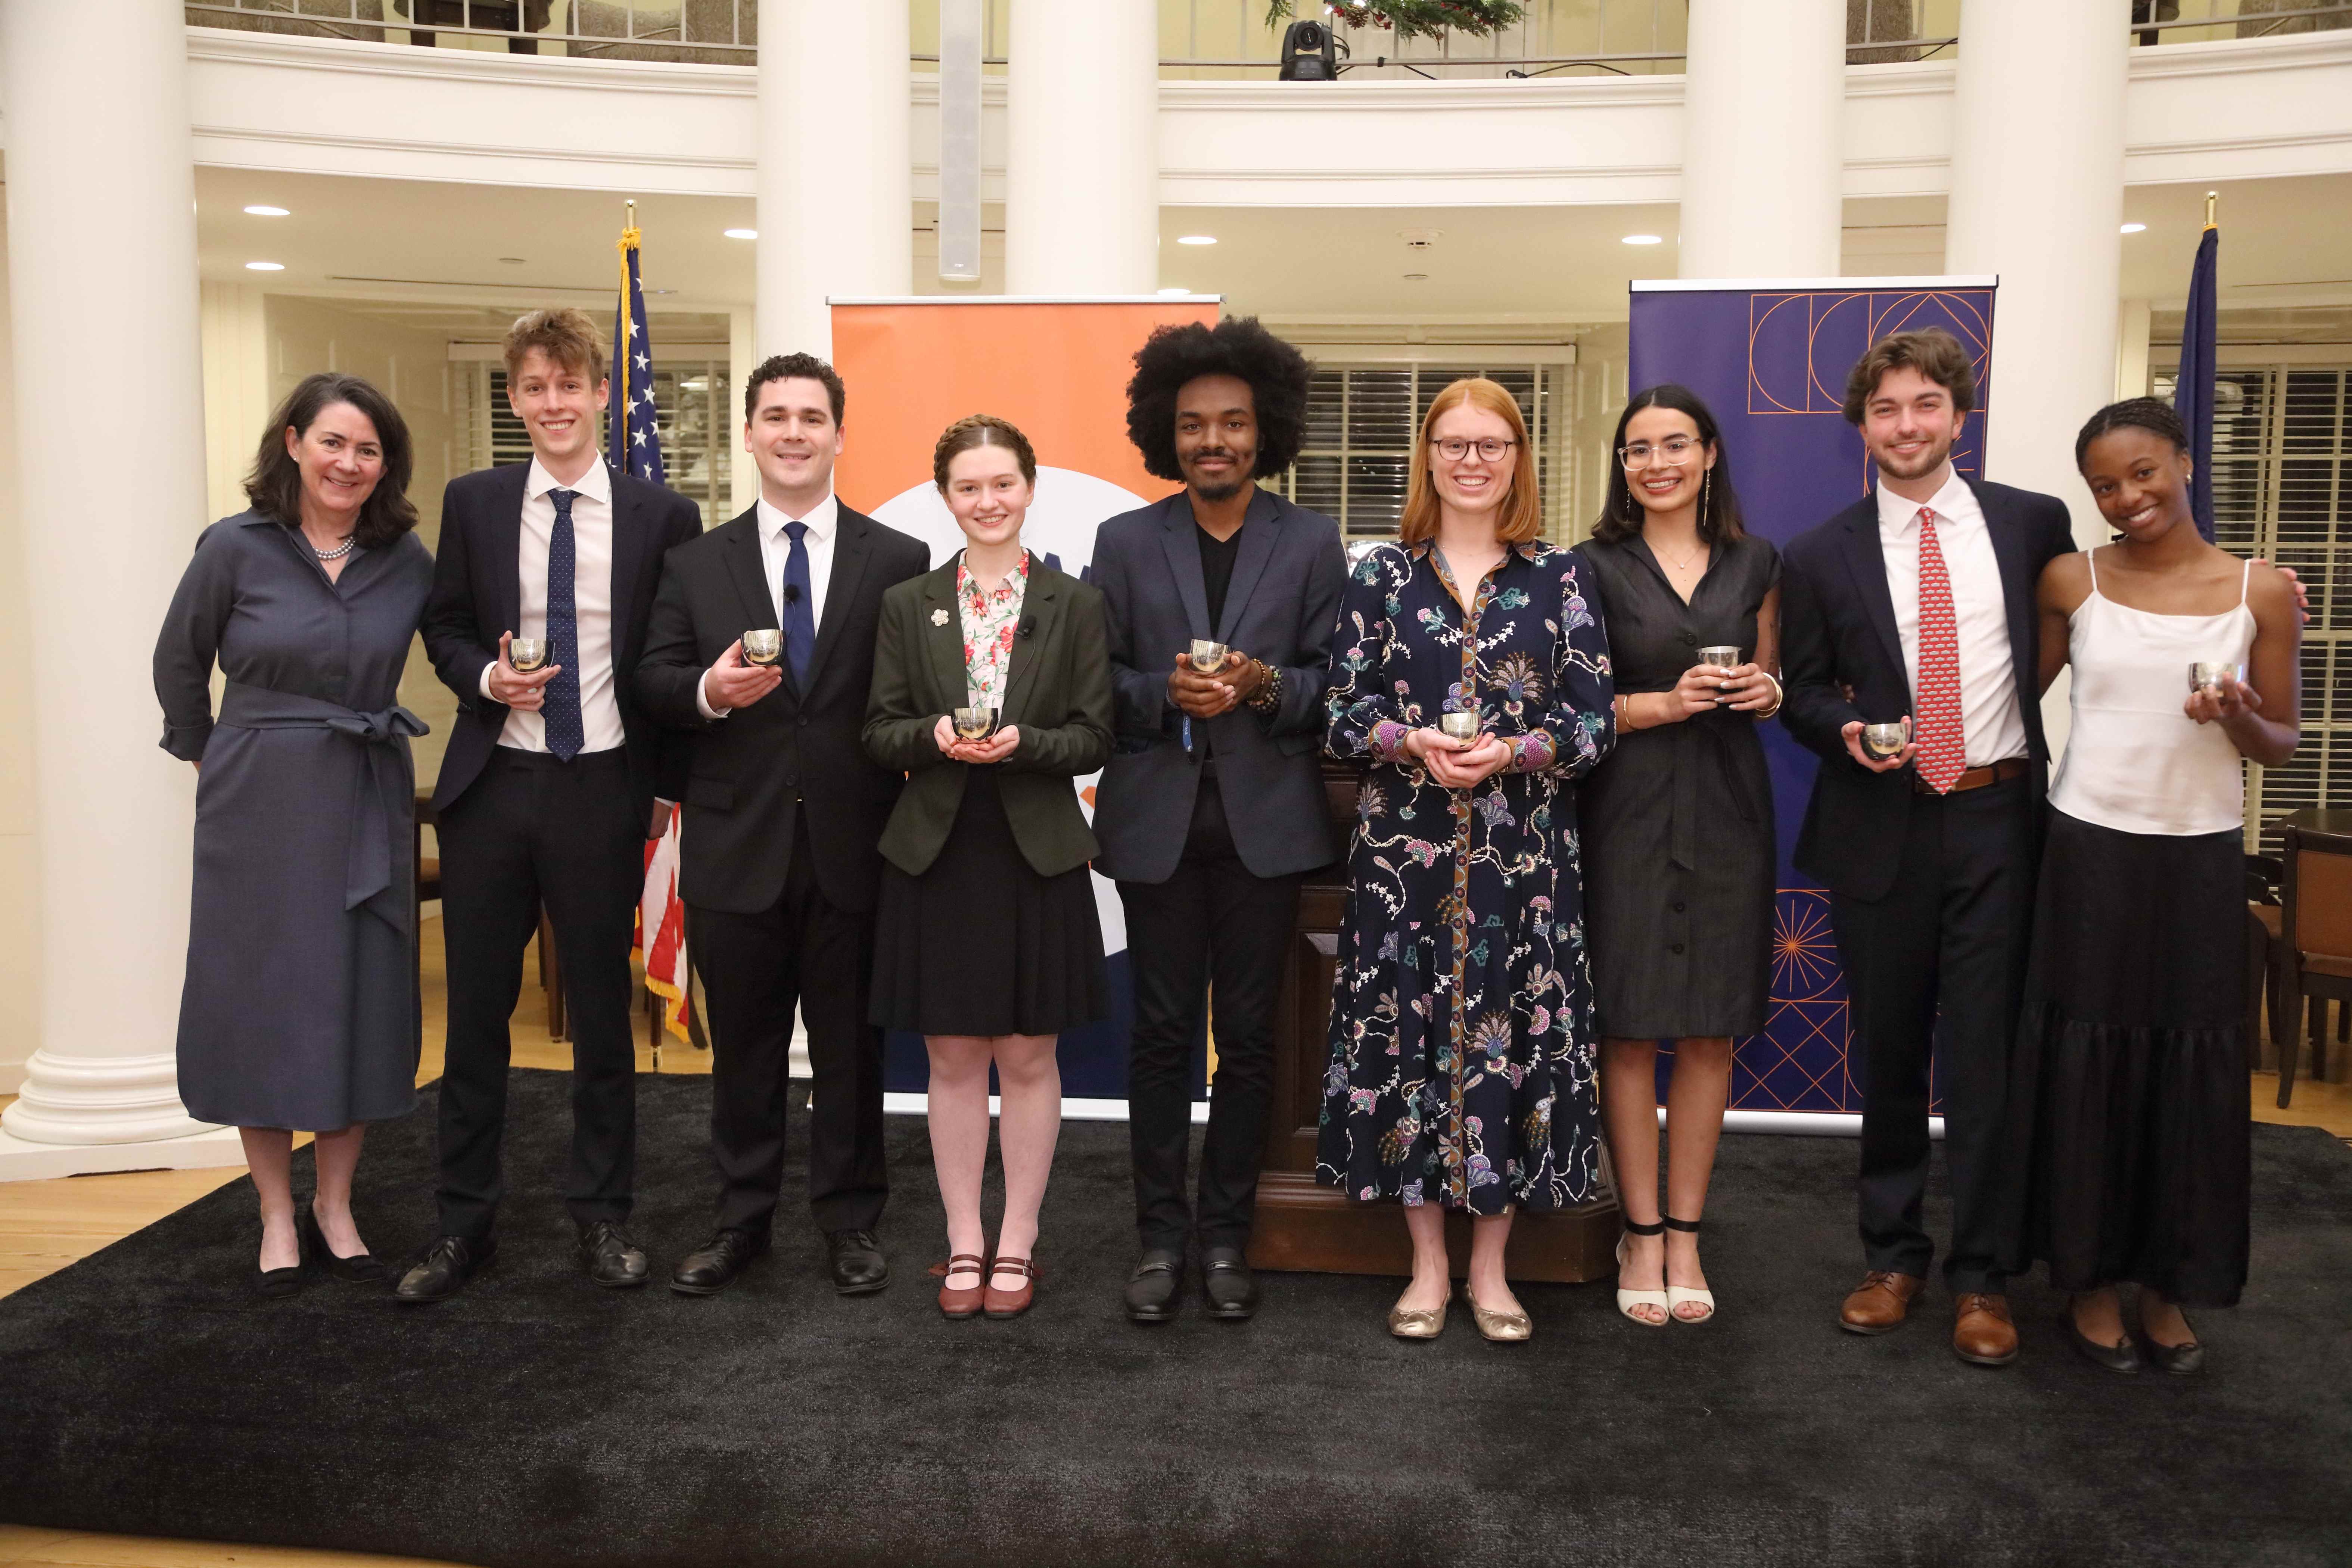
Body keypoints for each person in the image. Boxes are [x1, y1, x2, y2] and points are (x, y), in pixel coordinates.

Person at [1778, 329, 2078, 1367]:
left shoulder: (2034, 524)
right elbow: (1802, 694)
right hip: (1881, 825)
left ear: (1958, 414)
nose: (1904, 426)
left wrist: (2240, 598)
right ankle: (1892, 1258)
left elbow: (2106, 613)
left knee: (1989, 1058)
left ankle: (1984, 1277)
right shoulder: (1819, 552)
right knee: (1892, 1052)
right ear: (1860, 427)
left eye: (1923, 406)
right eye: (1884, 410)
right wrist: (1845, 731)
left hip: (1998, 819)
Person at [403, 308, 704, 1303]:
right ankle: (462, 1227)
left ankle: (604, 1216)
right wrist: (483, 682)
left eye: (569, 386)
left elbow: (667, 657)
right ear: (516, 400)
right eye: (533, 388)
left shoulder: (662, 516)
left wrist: (665, 789)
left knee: (603, 1023)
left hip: (602, 784)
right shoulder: (476, 502)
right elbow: (444, 626)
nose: (553, 404)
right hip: (496, 785)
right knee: (477, 1017)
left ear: (602, 395)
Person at [1318, 376, 1614, 1343]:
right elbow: (1339, 711)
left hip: (1522, 867)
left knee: (1510, 1049)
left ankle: (1491, 1271)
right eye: (1454, 443)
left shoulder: (1560, 577)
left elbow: (1594, 720)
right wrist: (1408, 741)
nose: (1473, 460)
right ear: (1428, 457)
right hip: (1403, 862)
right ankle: (1427, 1266)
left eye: (1493, 444)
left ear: (1519, 459)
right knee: (1408, 1048)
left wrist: (1514, 752)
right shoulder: (1378, 575)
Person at [2008, 398, 2299, 1375]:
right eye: (2102, 484)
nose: (2126, 496)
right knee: (2085, 1062)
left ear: (2182, 460)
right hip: (2087, 853)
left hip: (2200, 859)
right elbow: (2008, 705)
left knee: (2188, 1068)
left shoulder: (2260, 590)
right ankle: (2088, 1283)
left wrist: (2235, 717)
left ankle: (2167, 1289)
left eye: (2142, 471)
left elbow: (2278, 742)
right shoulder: (2068, 579)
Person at [635, 353, 929, 1298]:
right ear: (751, 434)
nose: (794, 432)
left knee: (852, 1051)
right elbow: (651, 682)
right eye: (776, 416)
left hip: (857, 847)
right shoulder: (692, 561)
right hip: (736, 845)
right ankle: (741, 1220)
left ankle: (851, 1221)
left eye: (812, 416)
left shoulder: (898, 561)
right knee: (747, 1051)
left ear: (840, 435)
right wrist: (708, 693)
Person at [1090, 318, 1347, 1324]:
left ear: (1263, 431)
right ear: (1165, 432)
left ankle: (1228, 1236)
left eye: (1233, 424)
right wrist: (1163, 694)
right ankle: (1159, 1240)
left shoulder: (1311, 539)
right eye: (1193, 425)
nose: (1213, 441)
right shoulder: (1121, 541)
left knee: (1247, 1043)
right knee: (1157, 1040)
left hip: (1269, 831)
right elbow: (1095, 682)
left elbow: (1336, 686)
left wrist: (1262, 685)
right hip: (1155, 824)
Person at [154, 372, 432, 1294]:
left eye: (368, 451)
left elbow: (462, 644)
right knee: (261, 997)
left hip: (362, 790)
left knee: (353, 993)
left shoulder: (407, 558)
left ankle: (335, 1203)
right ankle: (275, 1207)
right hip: (258, 801)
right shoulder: (233, 547)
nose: (349, 463)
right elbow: (179, 662)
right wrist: (214, 759)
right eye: (334, 444)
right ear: (292, 443)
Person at [862, 415, 1114, 1321]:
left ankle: (1021, 1241)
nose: (987, 501)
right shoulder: (907, 602)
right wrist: (932, 735)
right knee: (953, 1053)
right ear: (946, 497)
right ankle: (964, 1241)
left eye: (1002, 483)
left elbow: (1094, 736)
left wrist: (1022, 743)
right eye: (968, 487)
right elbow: (877, 727)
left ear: (1029, 487)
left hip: (1035, 852)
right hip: (936, 851)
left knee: (1030, 1052)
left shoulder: (1076, 604)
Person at [1573, 385, 1781, 1328]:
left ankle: (1689, 1237)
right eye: (1637, 450)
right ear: (1623, 468)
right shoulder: (1587, 568)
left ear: (1707, 456)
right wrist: (1659, 702)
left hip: (1732, 808)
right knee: (1627, 1025)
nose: (1655, 463)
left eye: (1673, 445)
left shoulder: (1757, 559)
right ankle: (1641, 1233)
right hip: (1626, 810)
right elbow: (1564, 713)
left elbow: (1779, 677)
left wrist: (1766, 691)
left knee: (1707, 1031)